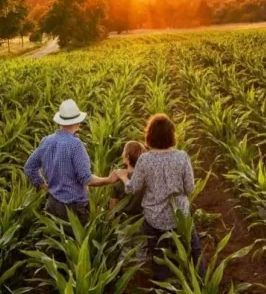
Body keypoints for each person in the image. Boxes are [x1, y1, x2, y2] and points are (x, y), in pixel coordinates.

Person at [115, 113, 206, 281]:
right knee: (195, 250)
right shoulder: (182, 157)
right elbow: (190, 188)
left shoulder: (145, 160)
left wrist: (123, 177)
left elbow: (133, 188)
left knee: (159, 257)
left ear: (150, 136)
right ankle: (200, 284)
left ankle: (163, 287)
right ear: (172, 135)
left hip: (154, 220)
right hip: (180, 218)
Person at [24, 99, 117, 228]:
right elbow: (86, 179)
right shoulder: (75, 145)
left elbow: (29, 167)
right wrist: (109, 180)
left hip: (52, 204)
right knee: (77, 244)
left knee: (56, 244)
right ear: (77, 122)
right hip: (74, 210)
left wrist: (42, 185)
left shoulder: (46, 141)